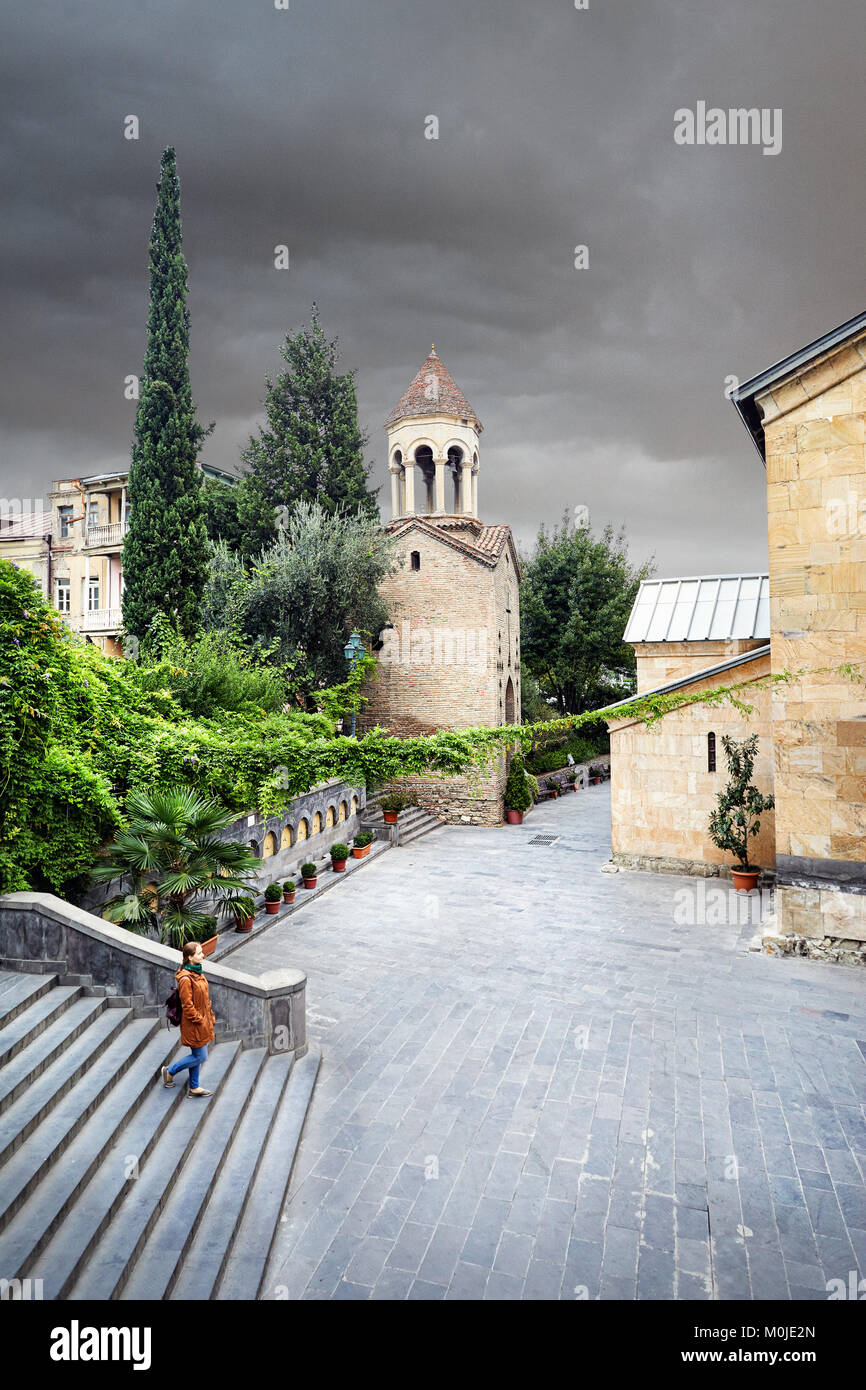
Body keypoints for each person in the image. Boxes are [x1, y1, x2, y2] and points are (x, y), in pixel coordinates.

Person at [161, 940, 216, 1097]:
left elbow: (204, 998)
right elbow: (187, 1005)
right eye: (199, 953)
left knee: (197, 1055)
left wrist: (209, 1015)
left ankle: (194, 1087)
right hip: (194, 1023)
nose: (203, 955)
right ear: (190, 957)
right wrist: (199, 1019)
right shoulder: (186, 979)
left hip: (203, 1020)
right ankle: (170, 1071)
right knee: (201, 1056)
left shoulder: (197, 972)